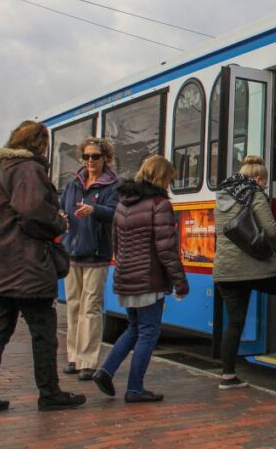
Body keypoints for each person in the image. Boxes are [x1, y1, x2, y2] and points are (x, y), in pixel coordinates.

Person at [0, 120, 86, 416]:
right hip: (26, 267)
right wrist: (59, 221)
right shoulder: (29, 170)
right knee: (43, 332)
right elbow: (32, 211)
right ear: (39, 143)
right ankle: (49, 392)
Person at [92, 155, 189, 403]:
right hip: (149, 278)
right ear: (161, 178)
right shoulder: (159, 204)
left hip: (126, 276)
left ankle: (105, 371)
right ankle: (135, 388)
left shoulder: (123, 204)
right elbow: (166, 249)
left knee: (134, 328)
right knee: (148, 332)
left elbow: (117, 243)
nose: (169, 184)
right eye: (169, 179)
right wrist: (180, 281)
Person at [214, 155, 276, 390]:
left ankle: (227, 376)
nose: (264, 186)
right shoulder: (254, 192)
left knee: (234, 323)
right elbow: (272, 232)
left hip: (225, 270)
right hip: (255, 268)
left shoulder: (222, 195)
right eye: (264, 181)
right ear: (258, 178)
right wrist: (275, 242)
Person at [59, 137, 119, 381]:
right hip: (72, 251)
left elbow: (116, 213)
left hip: (97, 254)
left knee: (91, 308)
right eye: (86, 156)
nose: (90, 161)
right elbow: (61, 206)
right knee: (73, 306)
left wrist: (94, 210)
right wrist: (61, 214)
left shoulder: (113, 185)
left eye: (95, 156)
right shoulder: (73, 183)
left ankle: (87, 361)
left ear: (105, 157)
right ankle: (73, 357)